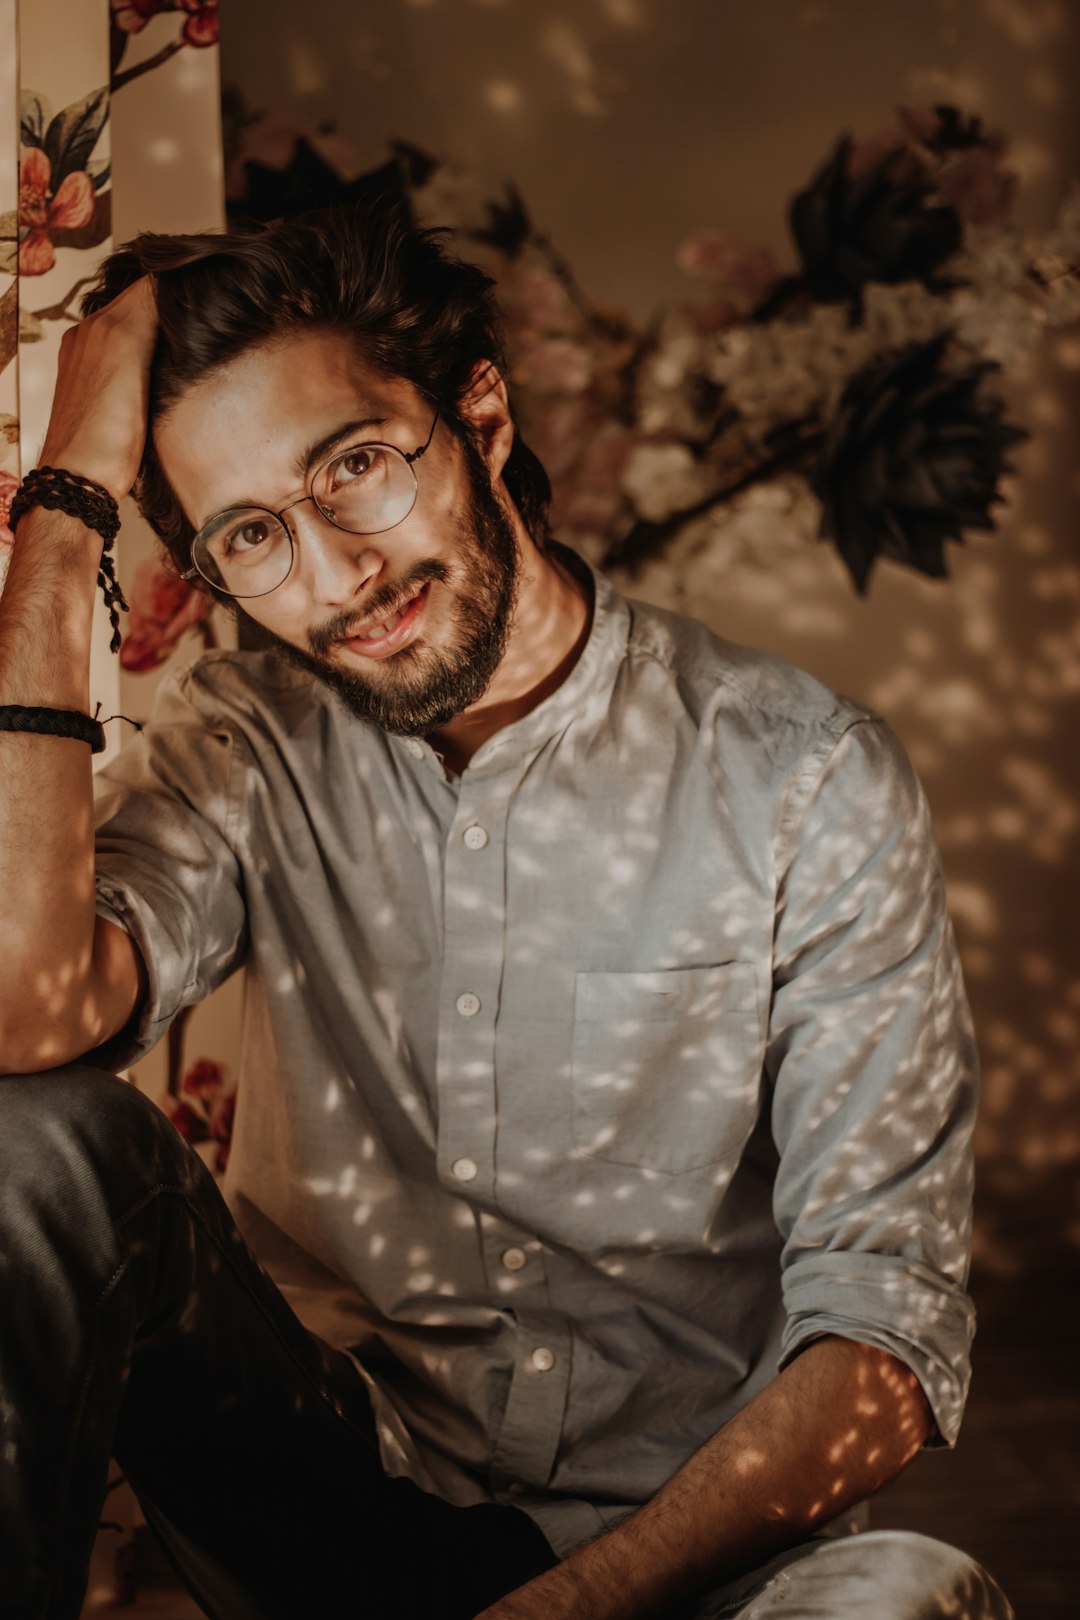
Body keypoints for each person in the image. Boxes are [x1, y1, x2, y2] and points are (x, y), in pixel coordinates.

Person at [0, 205, 1012, 1620]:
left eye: (355, 465)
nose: (338, 575)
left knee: (912, 1595)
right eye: (252, 535)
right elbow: (25, 1007)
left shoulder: (805, 778)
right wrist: (61, 515)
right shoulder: (249, 744)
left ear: (479, 412)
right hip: (335, 1506)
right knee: (27, 1143)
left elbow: (884, 1350)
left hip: (691, 1556)